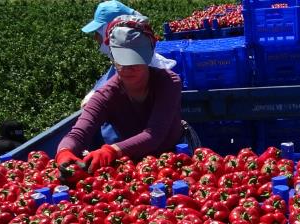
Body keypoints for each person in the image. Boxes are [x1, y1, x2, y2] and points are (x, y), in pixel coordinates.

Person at [57, 16, 196, 169]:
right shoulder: (106, 95)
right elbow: (78, 134)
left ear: (147, 57)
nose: (127, 68)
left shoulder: (168, 82)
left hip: (174, 157)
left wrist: (111, 150)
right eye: (120, 60)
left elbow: (154, 134)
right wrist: (65, 151)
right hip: (133, 164)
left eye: (134, 61)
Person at [80, 1, 177, 147]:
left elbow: (154, 134)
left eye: (97, 33)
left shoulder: (157, 74)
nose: (96, 39)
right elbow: (79, 131)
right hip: (125, 154)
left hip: (141, 149)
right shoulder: (117, 69)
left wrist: (114, 151)